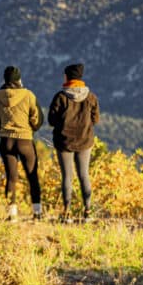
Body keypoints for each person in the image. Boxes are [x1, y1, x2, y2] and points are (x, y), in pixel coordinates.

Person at [0, 66, 44, 221]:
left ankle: (12, 214)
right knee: (32, 176)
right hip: (25, 140)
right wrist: (33, 127)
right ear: (19, 79)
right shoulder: (28, 95)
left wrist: (1, 129)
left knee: (11, 177)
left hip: (6, 141)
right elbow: (37, 118)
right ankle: (37, 212)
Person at [48, 63, 100, 222]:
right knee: (84, 175)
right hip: (85, 141)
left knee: (67, 177)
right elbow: (95, 120)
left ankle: (67, 212)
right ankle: (88, 211)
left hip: (64, 142)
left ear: (67, 77)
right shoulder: (91, 97)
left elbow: (51, 120)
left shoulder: (61, 97)